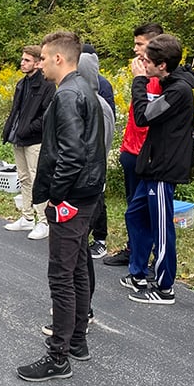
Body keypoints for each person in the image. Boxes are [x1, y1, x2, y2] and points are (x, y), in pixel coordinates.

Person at [17, 31, 106, 382]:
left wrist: (57, 196)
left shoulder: (68, 94)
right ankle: (78, 342)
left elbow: (71, 153)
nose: (38, 65)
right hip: (87, 194)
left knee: (62, 275)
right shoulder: (83, 88)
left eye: (42, 58)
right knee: (79, 267)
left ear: (57, 59)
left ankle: (59, 356)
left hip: (73, 197)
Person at [121, 34, 194, 305]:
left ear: (162, 65)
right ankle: (138, 271)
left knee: (163, 228)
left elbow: (144, 117)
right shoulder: (168, 82)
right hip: (151, 163)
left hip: (165, 168)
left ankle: (165, 287)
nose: (141, 63)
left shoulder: (178, 91)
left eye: (146, 61)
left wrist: (139, 81)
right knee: (135, 214)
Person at [103, 23, 165, 267]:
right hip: (131, 149)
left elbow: (150, 116)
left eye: (140, 44)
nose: (135, 49)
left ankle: (151, 258)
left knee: (148, 209)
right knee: (133, 207)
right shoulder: (142, 76)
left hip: (148, 154)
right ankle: (133, 248)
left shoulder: (161, 79)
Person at [2, 45, 56, 240]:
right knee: (23, 178)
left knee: (37, 179)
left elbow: (46, 115)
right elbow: (15, 111)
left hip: (35, 139)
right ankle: (27, 217)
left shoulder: (47, 85)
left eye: (26, 60)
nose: (22, 63)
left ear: (38, 62)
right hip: (19, 138)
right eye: (22, 59)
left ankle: (43, 221)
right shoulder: (21, 83)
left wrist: (28, 128)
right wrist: (9, 131)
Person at [80, 44, 116, 258]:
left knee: (97, 200)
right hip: (84, 164)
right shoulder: (75, 92)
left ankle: (99, 238)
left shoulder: (101, 90)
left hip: (94, 162)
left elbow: (107, 122)